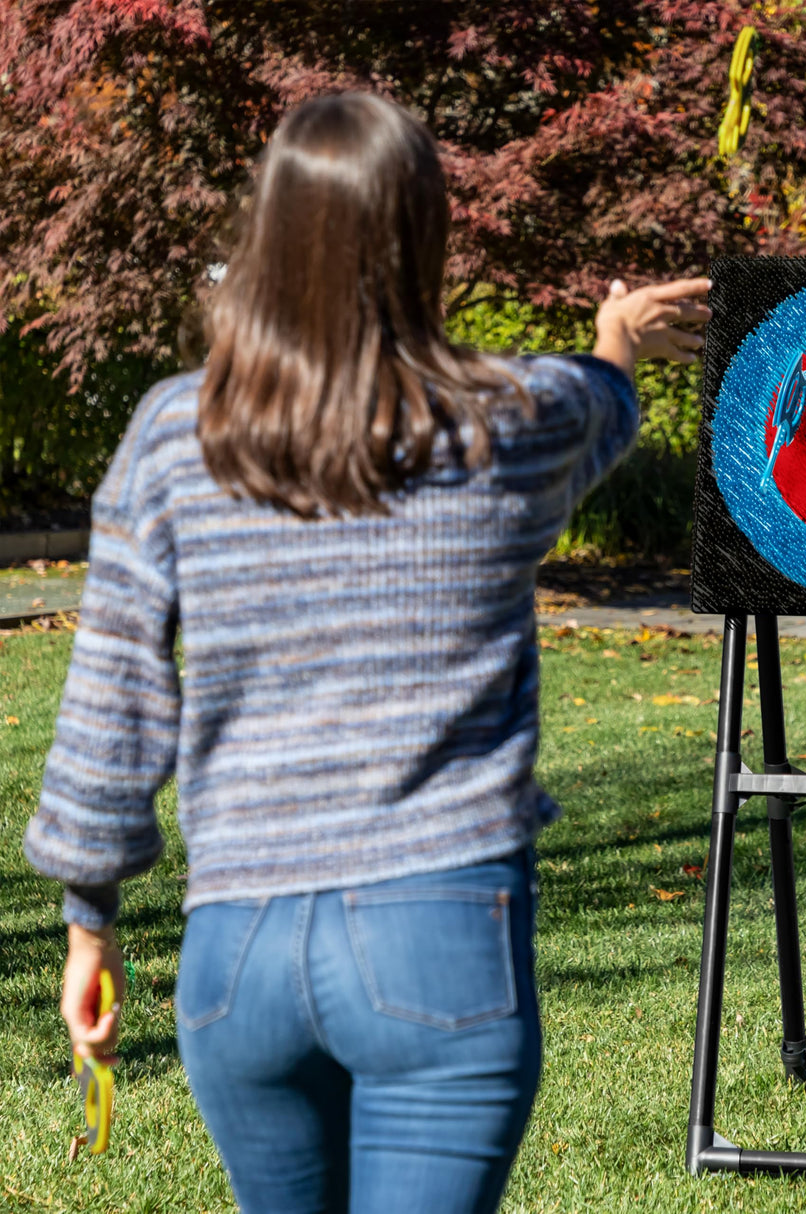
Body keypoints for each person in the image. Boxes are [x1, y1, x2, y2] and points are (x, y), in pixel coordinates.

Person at [24, 91, 710, 1214]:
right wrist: (617, 333)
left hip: (234, 952)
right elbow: (600, 402)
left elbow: (111, 706)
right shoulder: (504, 421)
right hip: (438, 932)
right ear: (421, 233)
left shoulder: (171, 435)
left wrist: (87, 923)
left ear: (267, 233)